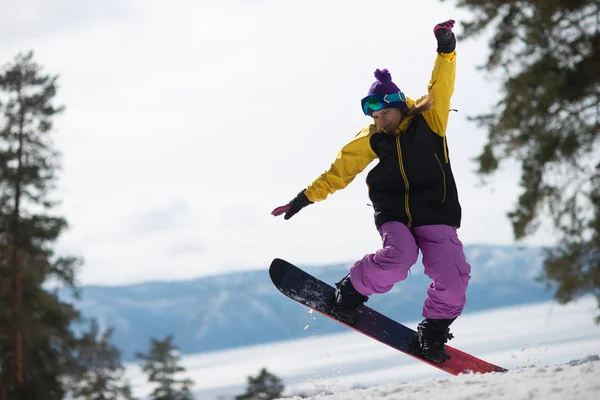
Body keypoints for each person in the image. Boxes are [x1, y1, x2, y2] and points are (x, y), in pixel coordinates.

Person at [271, 19, 470, 364]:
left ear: (400, 105)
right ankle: (351, 289)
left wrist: (446, 49)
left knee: (453, 279)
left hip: (436, 214)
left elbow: (442, 83)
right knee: (399, 257)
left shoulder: (430, 120)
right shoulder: (371, 140)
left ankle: (434, 331)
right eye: (374, 115)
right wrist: (303, 198)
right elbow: (338, 173)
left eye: (385, 112)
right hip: (394, 217)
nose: (380, 121)